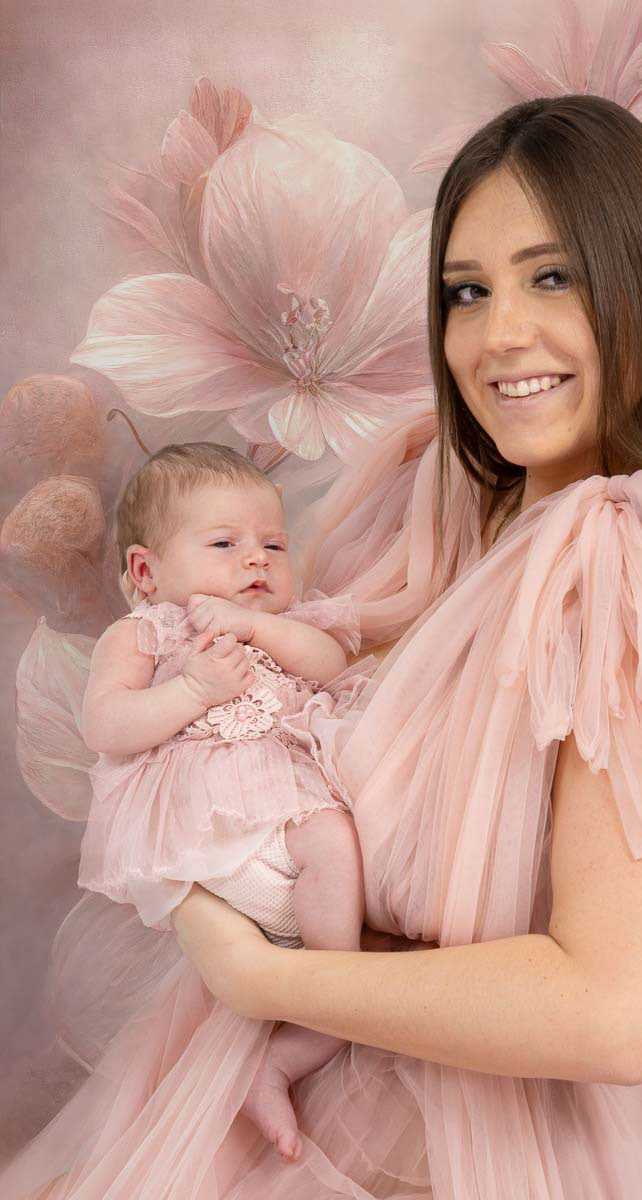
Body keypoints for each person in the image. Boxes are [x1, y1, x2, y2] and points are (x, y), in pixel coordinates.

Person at [3, 93, 642, 1198]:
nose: (499, 333)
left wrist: (259, 979)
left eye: (552, 277)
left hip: (524, 1146)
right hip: (319, 1081)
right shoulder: (440, 506)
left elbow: (612, 1014)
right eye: (466, 292)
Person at [79, 440, 372, 1164]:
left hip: (291, 832)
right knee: (308, 877)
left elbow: (333, 667)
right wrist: (191, 689)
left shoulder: (288, 624)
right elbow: (105, 726)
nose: (256, 561)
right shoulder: (146, 632)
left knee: (335, 842)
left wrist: (260, 628)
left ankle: (317, 1028)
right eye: (224, 544)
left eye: (273, 544)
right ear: (146, 572)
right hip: (205, 834)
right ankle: (326, 1001)